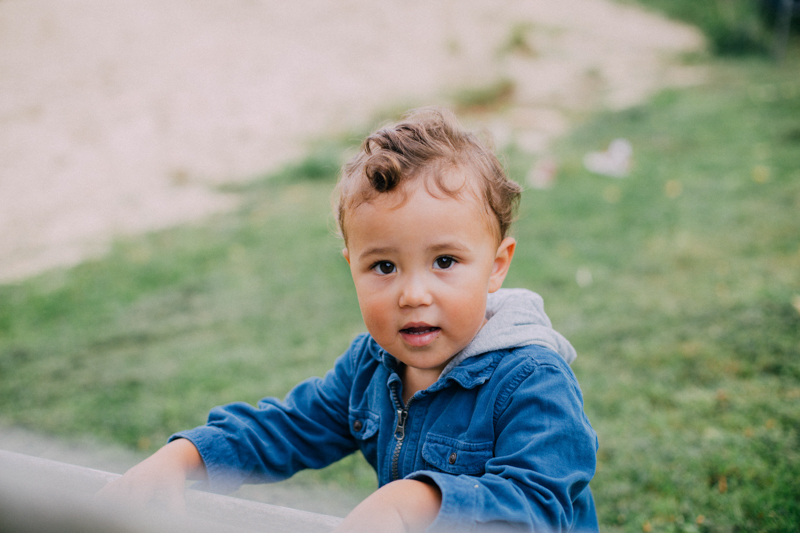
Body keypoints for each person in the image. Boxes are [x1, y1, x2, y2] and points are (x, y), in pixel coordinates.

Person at [96, 107, 599, 532]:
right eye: (384, 266)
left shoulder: (531, 381)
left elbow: (537, 506)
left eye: (445, 261)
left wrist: (414, 501)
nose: (413, 294)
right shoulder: (370, 368)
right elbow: (289, 427)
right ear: (352, 270)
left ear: (497, 266)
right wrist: (186, 457)